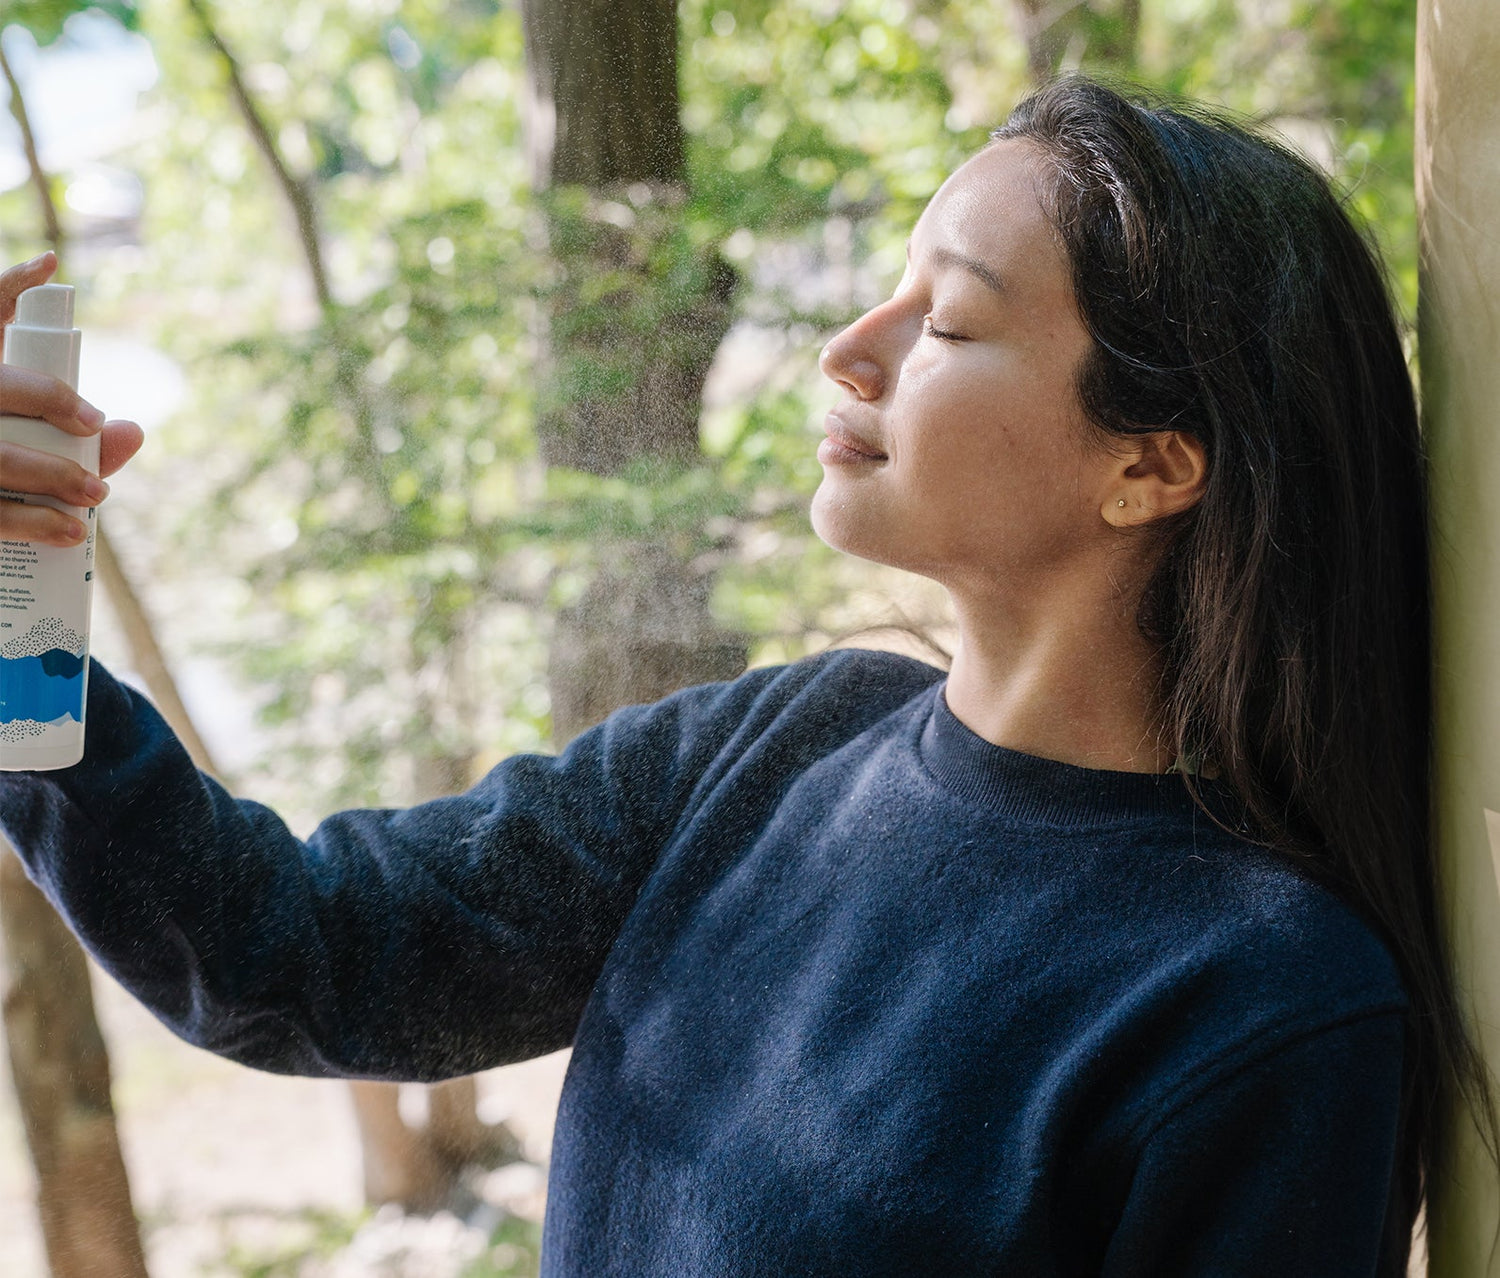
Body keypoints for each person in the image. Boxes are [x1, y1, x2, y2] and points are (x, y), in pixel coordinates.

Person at [0, 75, 1492, 1276]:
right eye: (890, 289)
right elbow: (283, 951)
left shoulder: (1265, 1004)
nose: (852, 346)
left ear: (1151, 464)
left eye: (950, 319)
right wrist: (18, 621)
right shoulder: (776, 747)